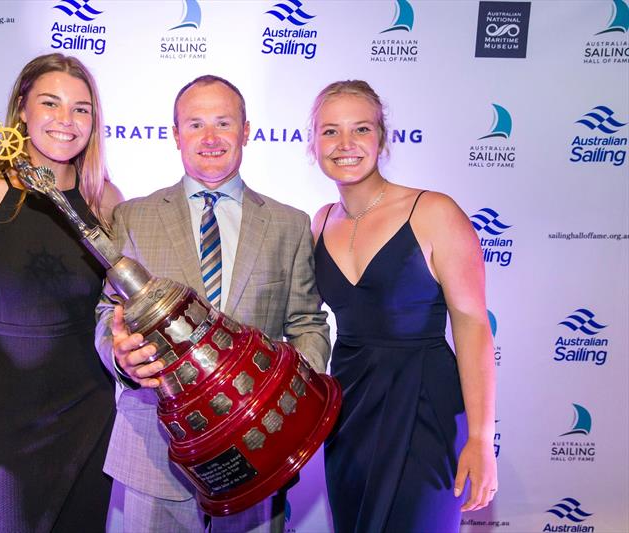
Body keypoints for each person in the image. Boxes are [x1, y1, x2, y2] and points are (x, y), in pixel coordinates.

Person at [95, 75, 330, 532]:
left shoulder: (289, 224)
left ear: (246, 131)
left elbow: (308, 323)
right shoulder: (132, 216)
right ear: (175, 133)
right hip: (154, 447)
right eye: (195, 124)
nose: (210, 138)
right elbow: (108, 315)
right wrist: (121, 356)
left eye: (224, 123)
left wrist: (289, 395)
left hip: (259, 447)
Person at [0, 53, 123, 533]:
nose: (66, 120)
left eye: (81, 109)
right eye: (50, 103)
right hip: (0, 419)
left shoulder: (107, 201)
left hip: (90, 413)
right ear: (22, 109)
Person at [309, 80, 498, 532]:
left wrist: (479, 438)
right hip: (349, 408)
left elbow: (472, 325)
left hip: (425, 405)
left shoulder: (432, 211)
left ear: (382, 138)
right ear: (312, 142)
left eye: (361, 129)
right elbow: (299, 317)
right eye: (330, 131)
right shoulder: (319, 222)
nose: (346, 145)